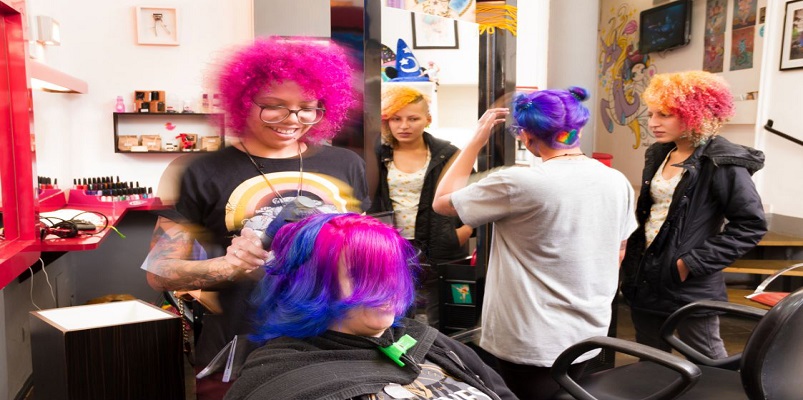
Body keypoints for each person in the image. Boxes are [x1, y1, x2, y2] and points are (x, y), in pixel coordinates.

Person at [143, 36, 370, 400]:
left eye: (307, 107)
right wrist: (228, 265)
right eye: (274, 106)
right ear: (242, 101)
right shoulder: (202, 171)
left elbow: (366, 252)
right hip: (243, 347)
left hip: (338, 343)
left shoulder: (347, 164)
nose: (292, 120)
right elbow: (160, 272)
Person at [432, 87, 637, 399]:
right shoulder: (615, 180)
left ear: (526, 137)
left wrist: (476, 139)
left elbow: (442, 203)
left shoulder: (520, 182)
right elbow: (618, 250)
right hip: (588, 334)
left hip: (531, 337)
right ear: (576, 128)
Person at [224, 213, 517, 400]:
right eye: (362, 275)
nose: (386, 287)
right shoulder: (283, 378)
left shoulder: (422, 340)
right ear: (313, 285)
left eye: (389, 272)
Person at [620, 70, 767, 359]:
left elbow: (750, 224)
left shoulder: (721, 161)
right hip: (646, 275)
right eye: (651, 115)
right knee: (649, 360)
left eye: (664, 115)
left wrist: (690, 263)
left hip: (689, 284)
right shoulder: (659, 154)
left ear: (694, 113)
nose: (653, 123)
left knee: (709, 359)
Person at [368, 85, 472, 327]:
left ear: (428, 119)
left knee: (442, 318)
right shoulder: (375, 153)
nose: (404, 126)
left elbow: (472, 193)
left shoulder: (447, 154)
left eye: (413, 118)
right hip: (390, 244)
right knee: (394, 313)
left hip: (438, 243)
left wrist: (463, 231)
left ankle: (438, 362)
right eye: (396, 118)